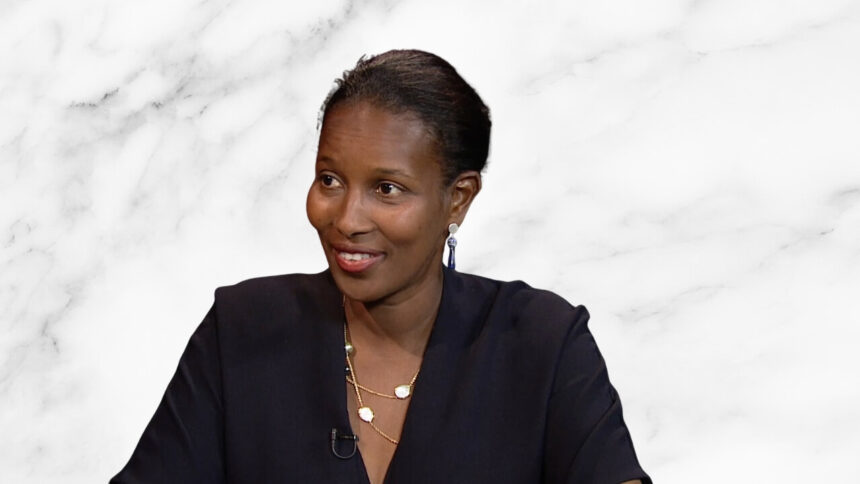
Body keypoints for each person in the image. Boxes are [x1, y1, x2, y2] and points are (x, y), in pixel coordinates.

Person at [111, 49, 651, 484]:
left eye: (387, 189)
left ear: (458, 198)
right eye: (330, 180)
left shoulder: (542, 342)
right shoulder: (242, 329)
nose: (347, 219)